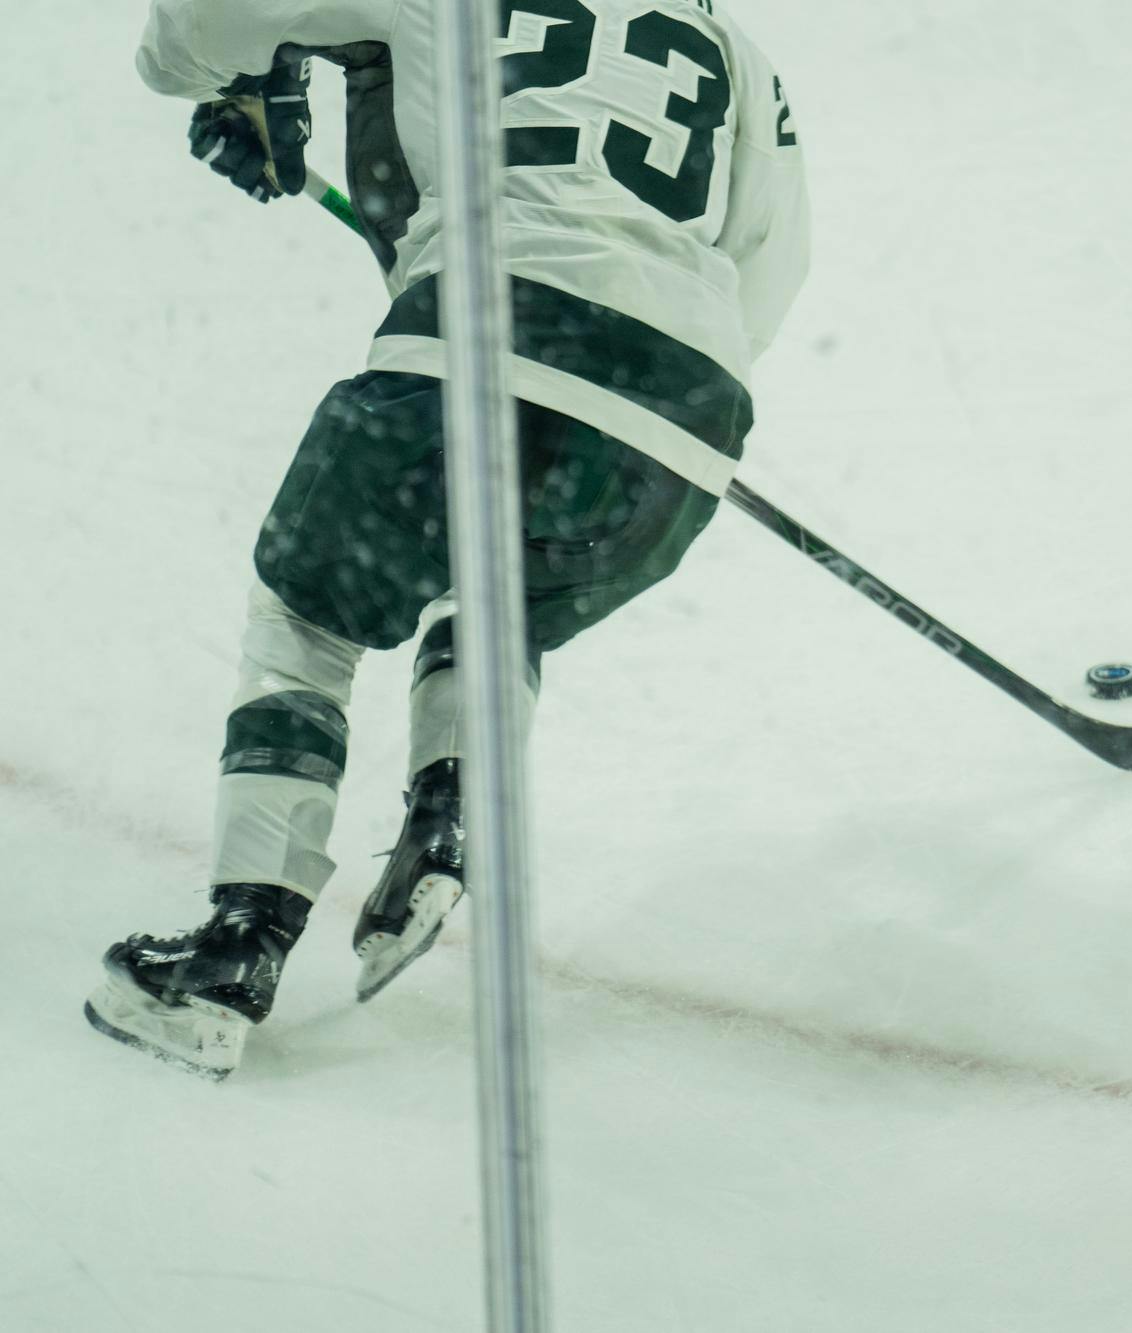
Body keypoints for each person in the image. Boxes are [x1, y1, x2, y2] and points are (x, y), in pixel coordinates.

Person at [85, 0, 808, 1079]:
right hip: (686, 415)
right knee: (497, 586)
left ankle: (239, 948)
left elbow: (198, 23)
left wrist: (239, 82)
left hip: (480, 326)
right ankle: (452, 812)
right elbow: (771, 265)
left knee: (308, 615)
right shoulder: (740, 58)